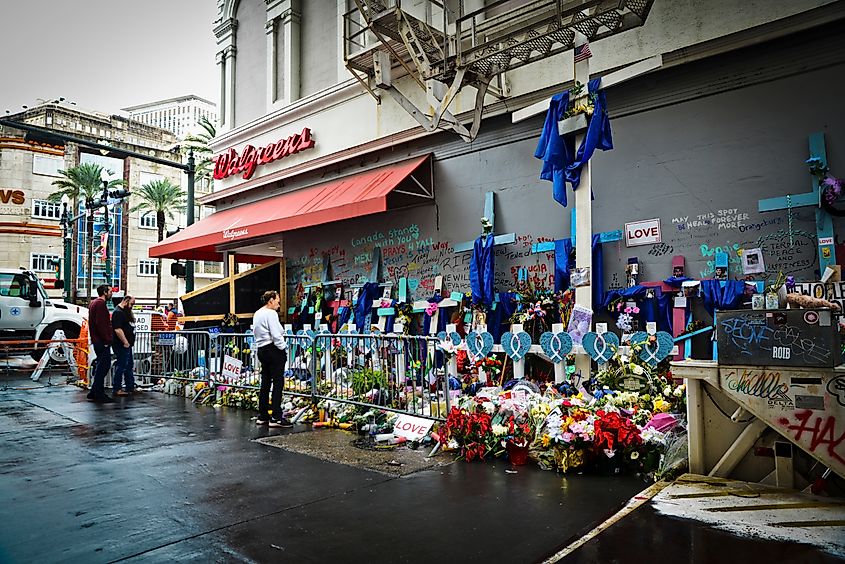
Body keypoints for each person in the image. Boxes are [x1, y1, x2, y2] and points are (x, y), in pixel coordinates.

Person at [252, 290, 291, 427]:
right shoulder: (271, 314)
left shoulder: (258, 313)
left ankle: (263, 415)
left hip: (261, 349)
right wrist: (283, 347)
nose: (279, 305)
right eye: (277, 301)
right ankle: (276, 416)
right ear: (271, 300)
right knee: (278, 382)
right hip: (273, 349)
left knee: (265, 382)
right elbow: (276, 334)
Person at [87, 284, 114, 403]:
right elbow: (102, 324)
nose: (111, 293)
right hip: (101, 341)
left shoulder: (94, 303)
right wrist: (107, 340)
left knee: (100, 366)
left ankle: (94, 391)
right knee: (103, 366)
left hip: (97, 340)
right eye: (110, 291)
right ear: (104, 292)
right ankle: (98, 392)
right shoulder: (100, 304)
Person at [111, 294, 137, 396]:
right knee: (122, 365)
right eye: (131, 304)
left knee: (128, 365)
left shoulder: (123, 312)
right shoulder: (118, 313)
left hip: (126, 344)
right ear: (126, 301)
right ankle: (117, 388)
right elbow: (118, 329)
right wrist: (125, 341)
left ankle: (130, 386)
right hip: (121, 344)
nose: (132, 307)